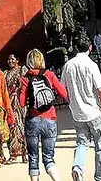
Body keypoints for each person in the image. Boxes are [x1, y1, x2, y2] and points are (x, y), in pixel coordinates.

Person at [62, 32, 101, 181]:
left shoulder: (68, 65)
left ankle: (78, 167)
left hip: (77, 113)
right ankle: (100, 177)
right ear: (90, 47)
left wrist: (71, 101)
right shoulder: (91, 65)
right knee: (100, 145)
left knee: (81, 142)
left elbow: (62, 89)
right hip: (93, 111)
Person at [18, 50, 67, 181]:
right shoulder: (49, 74)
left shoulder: (25, 78)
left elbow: (21, 103)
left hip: (33, 120)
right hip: (50, 118)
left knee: (33, 156)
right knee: (49, 157)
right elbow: (63, 92)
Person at [3, 55, 26, 161]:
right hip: (9, 102)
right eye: (8, 59)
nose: (10, 61)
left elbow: (25, 84)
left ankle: (24, 153)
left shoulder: (22, 70)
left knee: (21, 127)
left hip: (19, 102)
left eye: (12, 59)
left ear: (17, 60)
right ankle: (13, 153)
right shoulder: (5, 73)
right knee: (11, 127)